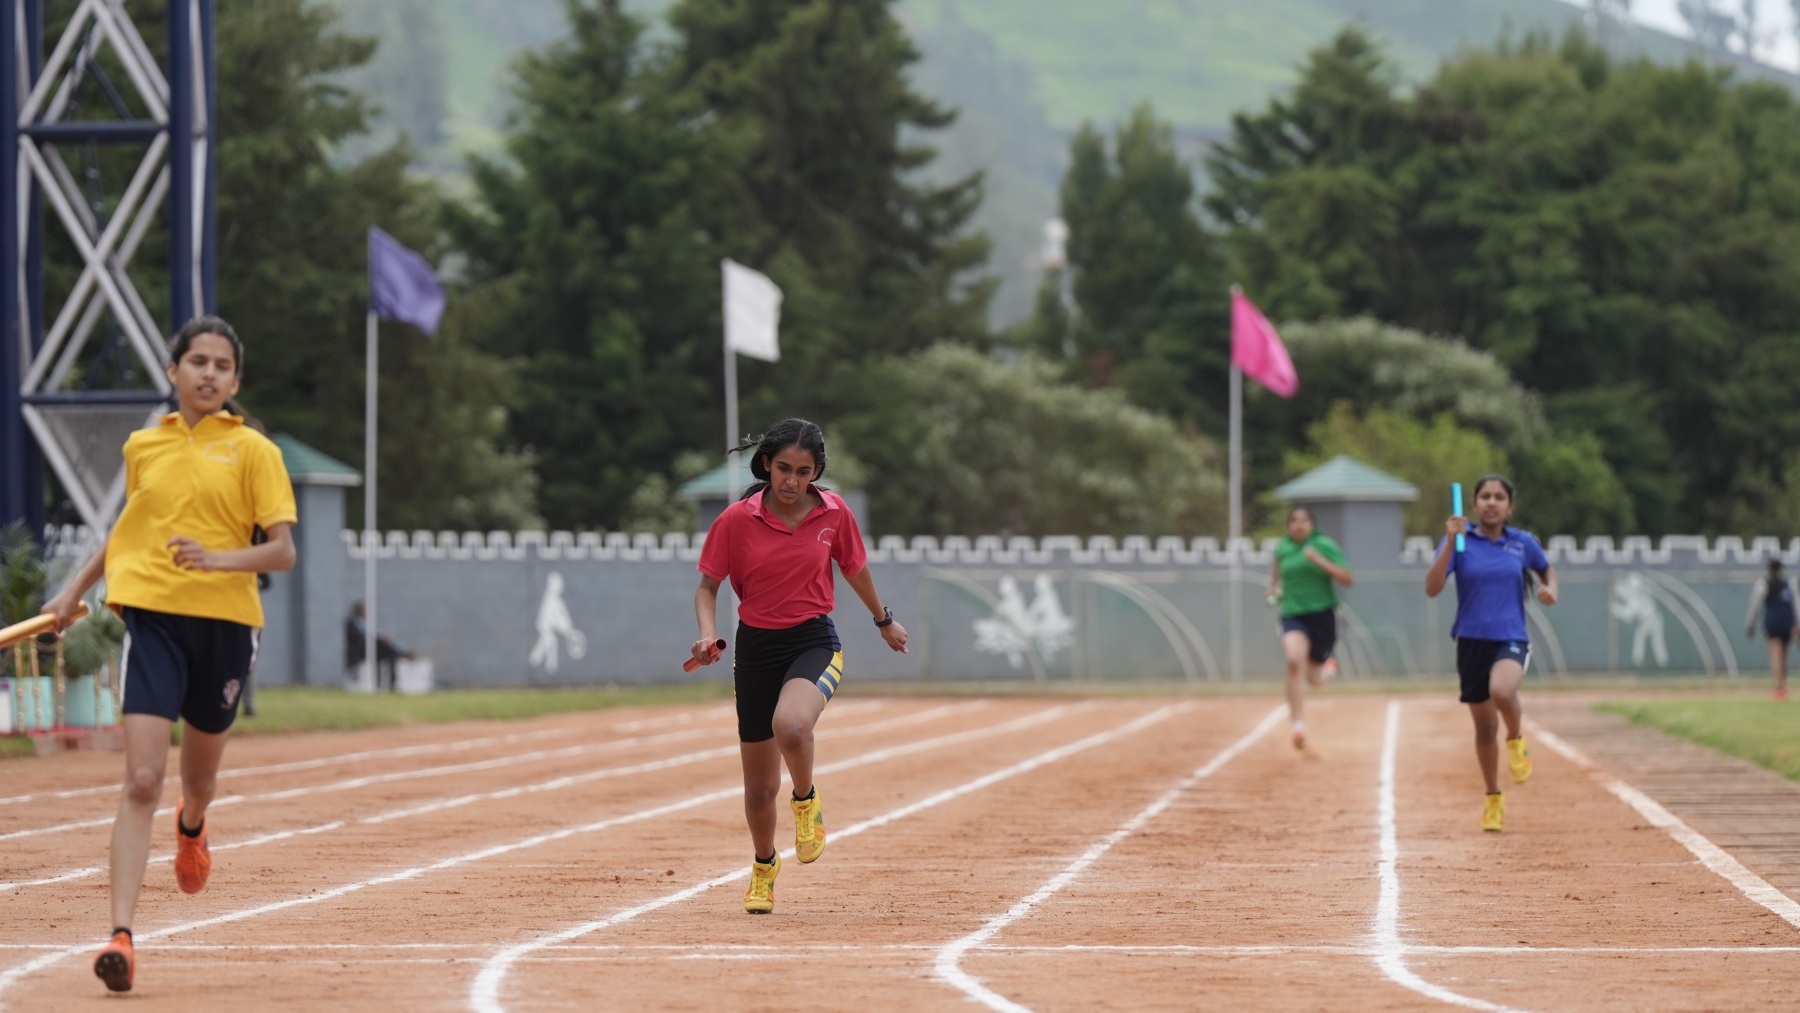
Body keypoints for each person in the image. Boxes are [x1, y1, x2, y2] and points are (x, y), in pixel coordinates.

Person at [39, 315, 297, 993]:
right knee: (141, 780)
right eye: (197, 361)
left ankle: (193, 824)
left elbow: (282, 551)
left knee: (198, 781)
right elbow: (128, 530)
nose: (209, 373)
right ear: (173, 371)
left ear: (234, 381)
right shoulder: (144, 445)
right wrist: (71, 592)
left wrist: (217, 558)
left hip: (226, 626)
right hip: (153, 618)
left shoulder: (254, 452)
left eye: (222, 365)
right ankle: (120, 936)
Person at [689, 418, 908, 914]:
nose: (792, 481)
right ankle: (764, 866)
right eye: (784, 468)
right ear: (767, 464)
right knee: (759, 790)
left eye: (803, 472)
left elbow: (854, 569)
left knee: (790, 726)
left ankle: (806, 801)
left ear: (817, 473)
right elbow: (707, 586)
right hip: (755, 650)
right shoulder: (735, 520)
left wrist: (883, 620)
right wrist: (706, 634)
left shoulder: (833, 513)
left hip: (813, 641)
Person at [1423, 474, 1557, 833]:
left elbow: (1546, 570)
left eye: (1499, 497)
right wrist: (1450, 542)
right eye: (1485, 496)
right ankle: (1493, 797)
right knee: (1484, 729)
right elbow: (1432, 588)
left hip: (1510, 637)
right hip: (1470, 641)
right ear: (1474, 504)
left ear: (1510, 506)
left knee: (1502, 690)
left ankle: (1515, 739)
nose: (1492, 502)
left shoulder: (1522, 542)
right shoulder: (1460, 541)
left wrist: (1551, 589)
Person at [1267, 506, 1354, 751]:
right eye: (1294, 520)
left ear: (1312, 525)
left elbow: (1347, 578)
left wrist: (1319, 561)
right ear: (1288, 526)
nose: (1299, 525)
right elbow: (1275, 580)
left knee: (1314, 678)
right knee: (1294, 660)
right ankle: (1297, 724)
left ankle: (1326, 671)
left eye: (1304, 520)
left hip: (1323, 614)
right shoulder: (1282, 548)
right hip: (1293, 614)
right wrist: (1273, 592)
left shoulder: (1324, 545)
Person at [1744, 557, 1794, 702]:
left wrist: (1750, 625)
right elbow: (1797, 604)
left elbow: (1755, 605)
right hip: (1787, 622)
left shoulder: (1764, 583)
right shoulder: (1789, 583)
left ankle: (1778, 687)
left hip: (1773, 623)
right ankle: (1783, 685)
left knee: (1775, 655)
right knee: (1783, 655)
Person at [345, 600, 415, 692]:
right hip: (361, 651)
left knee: (391, 655)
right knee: (385, 645)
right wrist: (379, 638)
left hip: (374, 649)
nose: (366, 613)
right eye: (364, 610)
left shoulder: (366, 623)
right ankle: (403, 654)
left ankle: (392, 684)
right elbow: (361, 637)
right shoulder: (352, 623)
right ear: (359, 611)